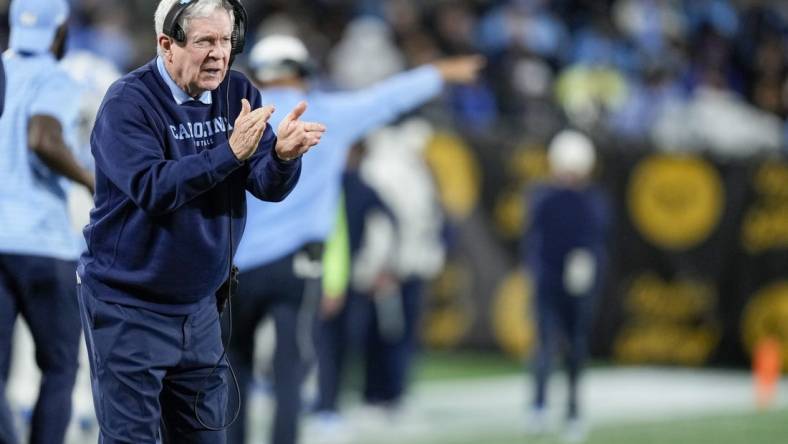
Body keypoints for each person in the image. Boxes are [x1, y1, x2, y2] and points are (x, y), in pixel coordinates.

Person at [76, 1, 325, 443]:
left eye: (227, 40)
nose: (219, 54)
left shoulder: (238, 91)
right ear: (167, 45)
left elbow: (265, 183)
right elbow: (154, 187)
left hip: (201, 309)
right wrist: (228, 152)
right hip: (129, 305)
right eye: (206, 41)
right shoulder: (127, 102)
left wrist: (284, 158)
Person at [228, 34, 483, 444]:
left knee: (234, 368)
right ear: (304, 72)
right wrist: (439, 72)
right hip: (298, 265)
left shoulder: (236, 119)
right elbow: (389, 98)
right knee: (290, 369)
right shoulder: (327, 113)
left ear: (257, 73)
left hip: (236, 264)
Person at [0, 0, 93, 443]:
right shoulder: (57, 78)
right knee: (58, 369)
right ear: (60, 30)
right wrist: (91, 180)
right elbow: (42, 136)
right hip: (43, 244)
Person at [523, 130, 610, 443]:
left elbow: (597, 239)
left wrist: (587, 266)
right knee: (545, 345)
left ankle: (573, 410)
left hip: (577, 286)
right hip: (549, 280)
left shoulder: (591, 200)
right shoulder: (544, 195)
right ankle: (539, 405)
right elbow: (534, 238)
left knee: (575, 348)